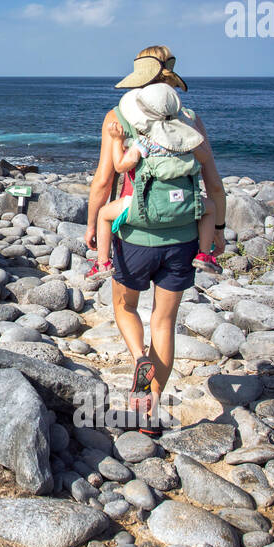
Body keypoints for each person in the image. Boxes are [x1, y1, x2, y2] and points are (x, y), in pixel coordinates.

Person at [85, 46, 226, 437]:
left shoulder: (117, 119)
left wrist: (93, 225)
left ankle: (138, 359)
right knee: (164, 322)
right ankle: (147, 408)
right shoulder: (191, 120)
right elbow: (213, 183)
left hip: (134, 235)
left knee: (125, 307)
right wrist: (217, 233)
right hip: (184, 236)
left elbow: (103, 180)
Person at [91, 85, 222, 278]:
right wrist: (193, 135)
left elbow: (120, 166)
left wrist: (118, 140)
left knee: (103, 214)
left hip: (147, 209)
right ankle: (203, 254)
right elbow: (204, 158)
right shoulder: (187, 141)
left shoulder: (144, 142)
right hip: (185, 205)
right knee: (210, 208)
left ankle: (102, 262)